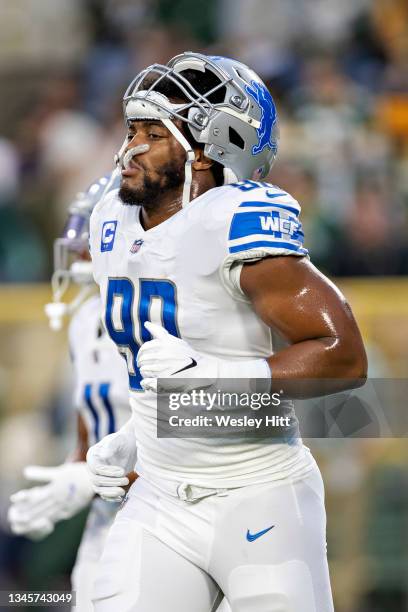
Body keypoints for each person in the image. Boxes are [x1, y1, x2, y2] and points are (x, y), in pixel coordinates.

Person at [86, 52, 367, 611]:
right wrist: (136, 437)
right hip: (160, 499)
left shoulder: (234, 221)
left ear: (211, 151)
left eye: (154, 134)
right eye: (132, 131)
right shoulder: (110, 221)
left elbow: (344, 356)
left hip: (260, 494)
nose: (130, 150)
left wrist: (221, 379)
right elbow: (166, 360)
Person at [8, 179, 133, 611]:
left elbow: (196, 429)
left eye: (91, 227)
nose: (76, 242)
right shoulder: (86, 316)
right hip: (112, 507)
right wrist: (74, 472)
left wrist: (97, 478)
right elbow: (90, 428)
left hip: (175, 503)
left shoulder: (167, 308)